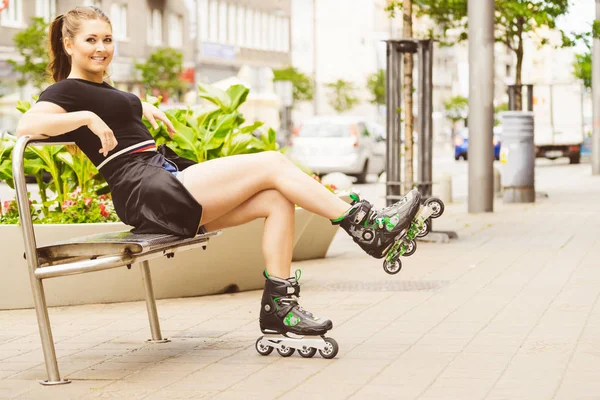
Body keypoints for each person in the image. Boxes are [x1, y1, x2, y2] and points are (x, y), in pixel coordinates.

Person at [16, 6, 422, 352]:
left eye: (107, 39)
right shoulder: (67, 91)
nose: (102, 47)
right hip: (146, 188)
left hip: (162, 178)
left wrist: (143, 106)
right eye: (91, 40)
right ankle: (368, 227)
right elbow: (27, 125)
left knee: (275, 199)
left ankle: (280, 309)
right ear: (70, 45)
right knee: (271, 163)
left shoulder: (99, 87)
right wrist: (88, 118)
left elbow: (114, 108)